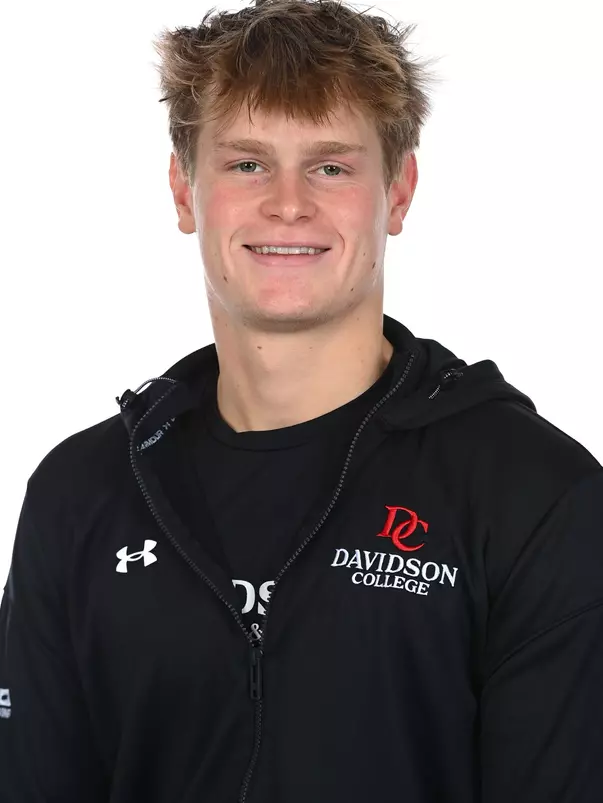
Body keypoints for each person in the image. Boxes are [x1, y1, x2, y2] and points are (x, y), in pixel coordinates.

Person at [1, 0, 602, 800]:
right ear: (183, 190)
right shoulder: (81, 491)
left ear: (398, 191)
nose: (288, 203)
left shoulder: (534, 495)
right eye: (247, 164)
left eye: (330, 166)